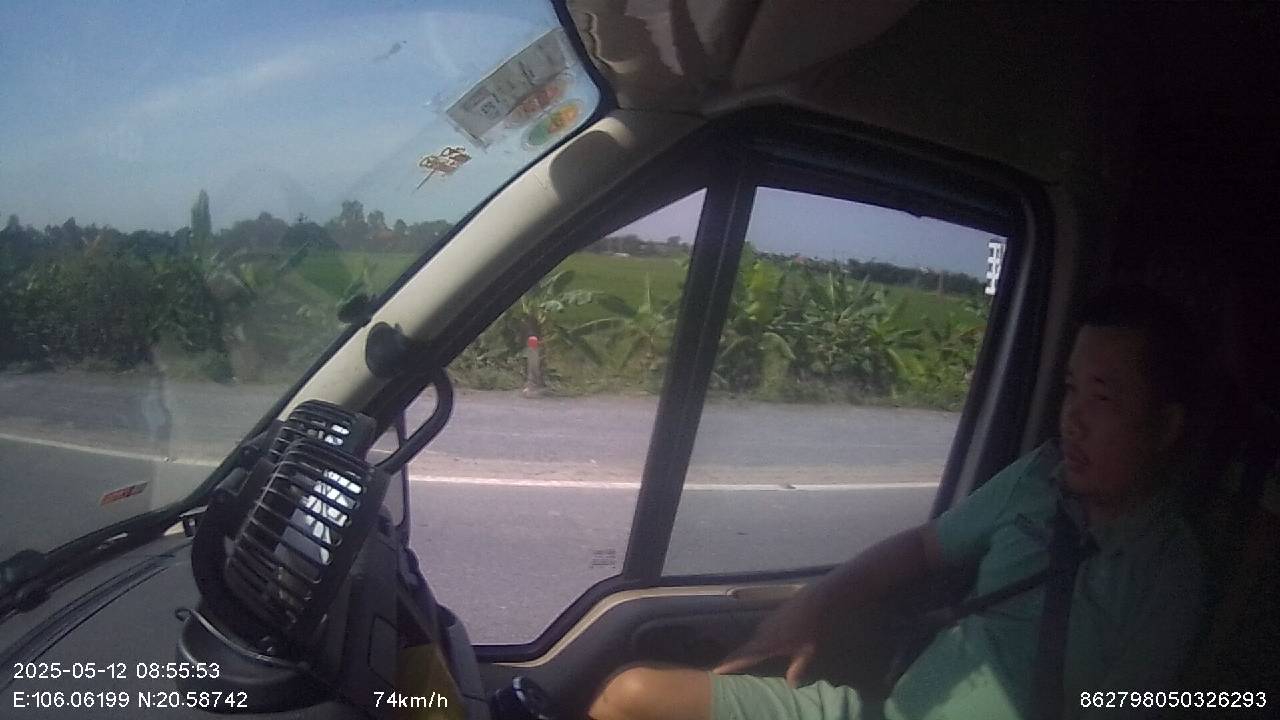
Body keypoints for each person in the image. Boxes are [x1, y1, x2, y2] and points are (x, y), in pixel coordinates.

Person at [588, 286, 1208, 720]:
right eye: (1071, 389)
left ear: (1165, 426)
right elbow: (921, 548)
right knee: (630, 697)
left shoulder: (1169, 571)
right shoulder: (1037, 478)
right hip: (884, 709)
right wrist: (815, 604)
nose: (1073, 418)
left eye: (1103, 398)